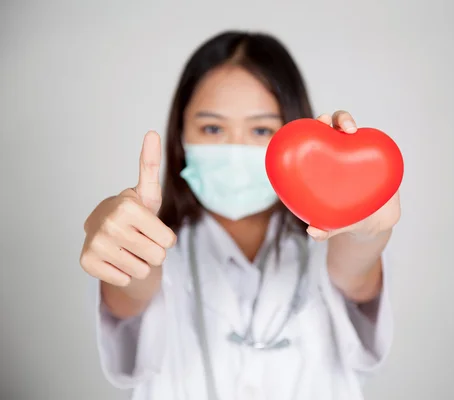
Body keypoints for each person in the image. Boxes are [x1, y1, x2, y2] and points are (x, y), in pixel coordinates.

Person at [80, 30, 401, 400]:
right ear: (180, 134)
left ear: (296, 133)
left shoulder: (327, 241)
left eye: (262, 129)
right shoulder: (154, 243)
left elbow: (356, 270)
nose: (235, 148)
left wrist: (364, 228)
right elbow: (130, 294)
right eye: (212, 128)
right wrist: (122, 249)